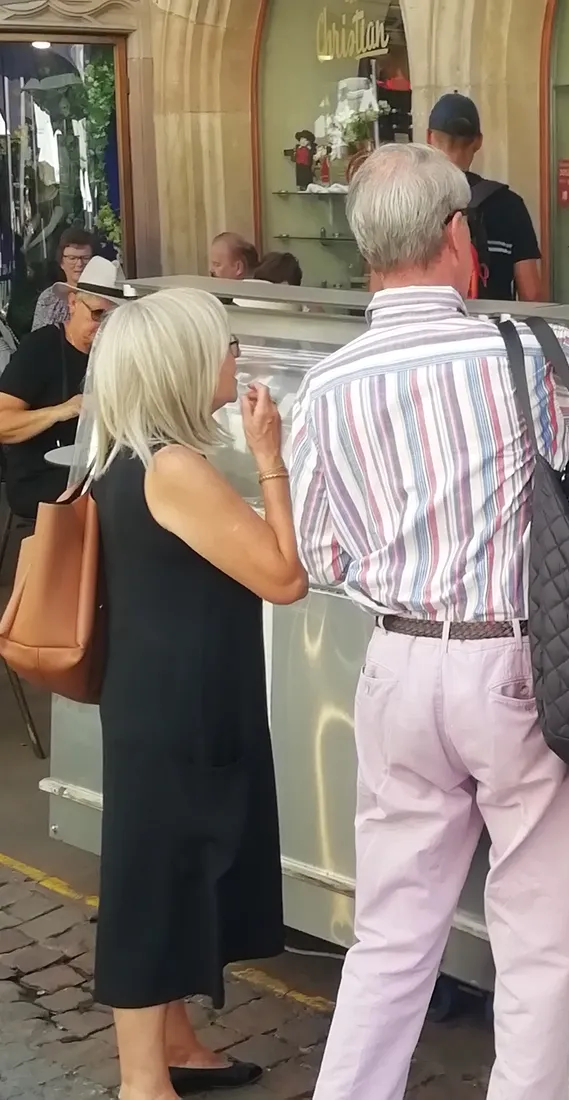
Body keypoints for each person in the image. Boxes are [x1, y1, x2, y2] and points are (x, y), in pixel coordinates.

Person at [290, 141, 569, 1100]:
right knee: (538, 942)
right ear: (457, 237)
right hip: (518, 665)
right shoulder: (516, 353)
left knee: (390, 935)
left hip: (395, 664)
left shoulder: (324, 388)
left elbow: (322, 558)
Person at [89, 286, 307, 1100]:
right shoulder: (174, 467)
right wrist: (269, 457)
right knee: (153, 882)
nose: (234, 357)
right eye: (222, 344)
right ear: (183, 362)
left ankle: (176, 1045)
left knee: (170, 871)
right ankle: (142, 1082)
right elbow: (284, 577)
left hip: (163, 695)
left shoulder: (132, 452)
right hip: (176, 705)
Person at [0, 255, 120, 519]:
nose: (104, 326)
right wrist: (61, 411)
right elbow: (2, 423)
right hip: (41, 477)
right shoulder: (41, 348)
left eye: (113, 318)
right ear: (73, 303)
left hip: (96, 469)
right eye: (98, 314)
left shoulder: (116, 353)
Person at [426, 92, 542, 302]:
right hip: (493, 331)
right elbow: (531, 294)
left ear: (429, 137)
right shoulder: (510, 205)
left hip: (430, 330)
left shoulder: (412, 203)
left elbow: (380, 288)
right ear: (478, 142)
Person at [31, 224, 95, 330]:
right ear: (61, 262)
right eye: (72, 258)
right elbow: (37, 340)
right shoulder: (49, 297)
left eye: (85, 258)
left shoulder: (102, 298)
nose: (79, 263)